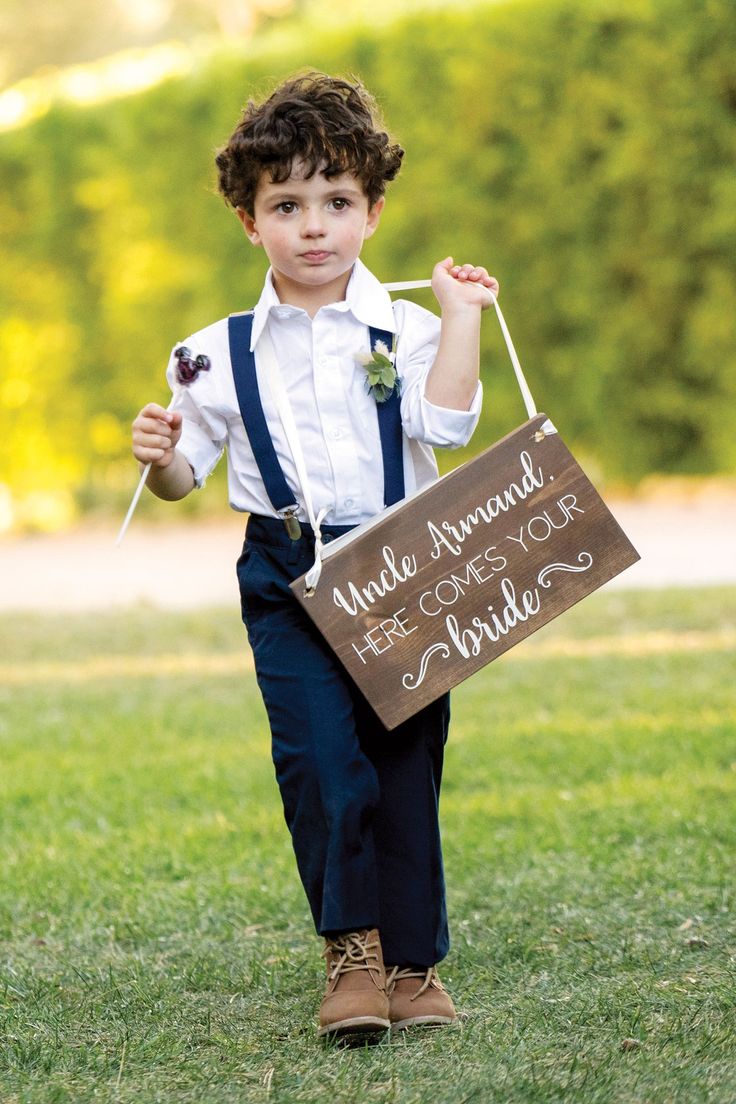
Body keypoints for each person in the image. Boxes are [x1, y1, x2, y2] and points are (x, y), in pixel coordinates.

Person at [131, 71, 499, 1040]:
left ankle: (415, 969)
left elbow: (450, 425)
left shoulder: (407, 329)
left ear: (373, 213)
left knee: (404, 762)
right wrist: (164, 460)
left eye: (336, 202)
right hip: (286, 575)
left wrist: (461, 319)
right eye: (285, 205)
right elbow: (185, 482)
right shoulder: (210, 352)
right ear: (250, 222)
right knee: (322, 764)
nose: (313, 227)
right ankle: (352, 953)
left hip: (401, 563)